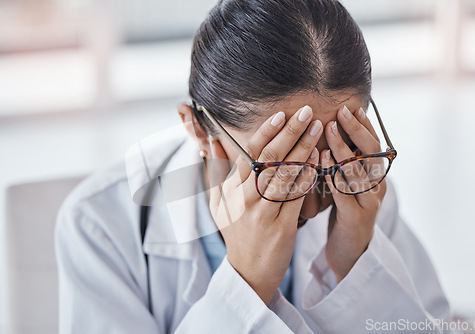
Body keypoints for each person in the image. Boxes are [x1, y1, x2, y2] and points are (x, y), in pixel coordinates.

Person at [55, 0, 451, 333]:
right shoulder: (100, 224)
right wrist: (247, 282)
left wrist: (354, 262)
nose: (313, 203)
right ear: (200, 131)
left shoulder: (360, 187)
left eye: (336, 153)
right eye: (284, 165)